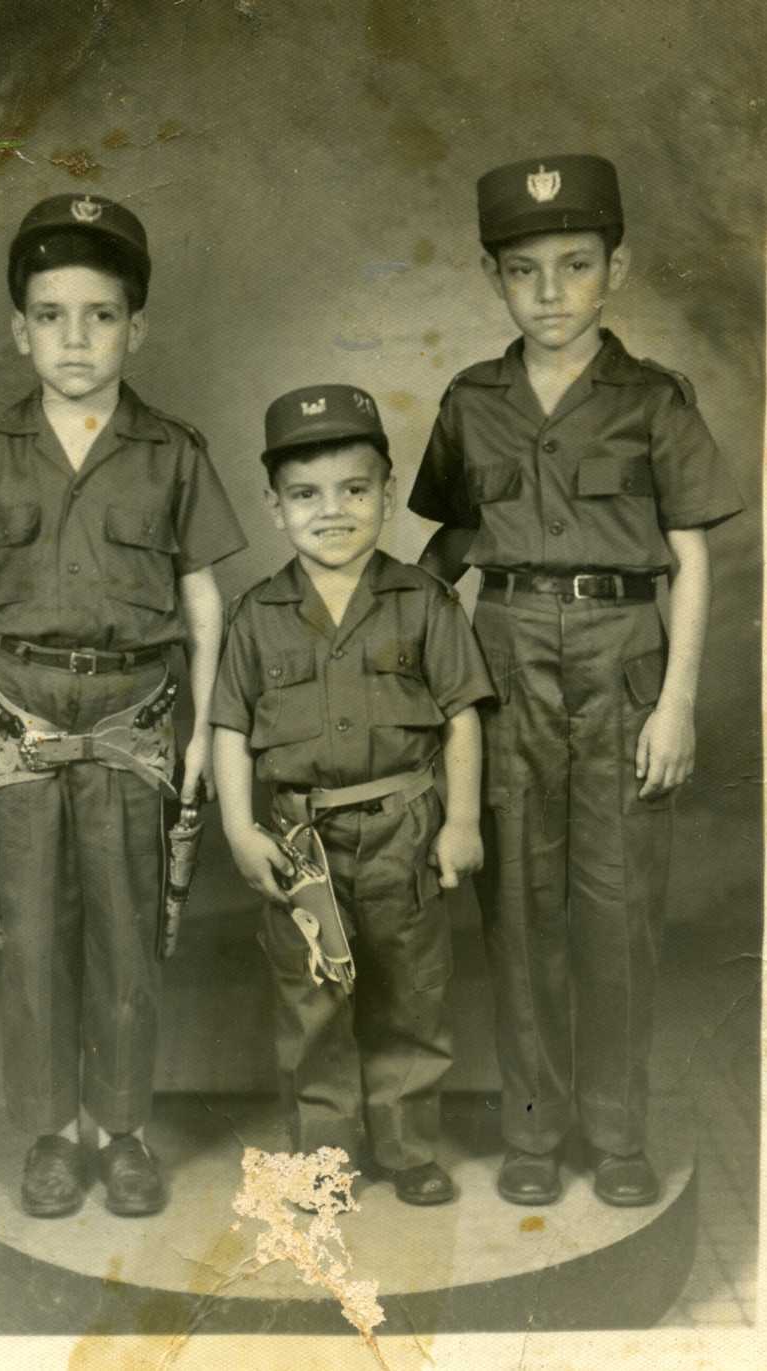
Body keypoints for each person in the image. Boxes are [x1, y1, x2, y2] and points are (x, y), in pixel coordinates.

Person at [408, 154, 743, 1207]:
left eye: (574, 265)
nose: (550, 294)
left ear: (617, 268)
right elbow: (447, 550)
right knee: (519, 912)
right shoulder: (472, 401)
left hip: (621, 663)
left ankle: (618, 1132)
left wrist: (678, 700)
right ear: (491, 277)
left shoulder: (651, 400)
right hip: (504, 658)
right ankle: (534, 1132)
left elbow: (689, 556)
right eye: (523, 271)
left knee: (617, 912)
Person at [0, 193, 246, 1217]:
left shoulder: (173, 452)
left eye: (100, 314)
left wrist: (207, 732)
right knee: (31, 940)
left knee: (126, 933)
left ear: (135, 328)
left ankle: (124, 1129)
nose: (75, 337)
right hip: (16, 725)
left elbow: (202, 597)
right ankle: (53, 1134)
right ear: (20, 330)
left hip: (133, 722)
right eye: (51, 314)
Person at [211, 384, 494, 1205]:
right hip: (302, 844)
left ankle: (408, 1149)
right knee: (312, 1005)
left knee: (414, 990)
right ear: (274, 506)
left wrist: (463, 821)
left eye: (355, 489)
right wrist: (238, 827)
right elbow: (229, 728)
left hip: (405, 830)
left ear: (385, 488)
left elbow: (462, 717)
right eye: (306, 494)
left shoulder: (424, 602)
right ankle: (325, 1159)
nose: (331, 511)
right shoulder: (255, 615)